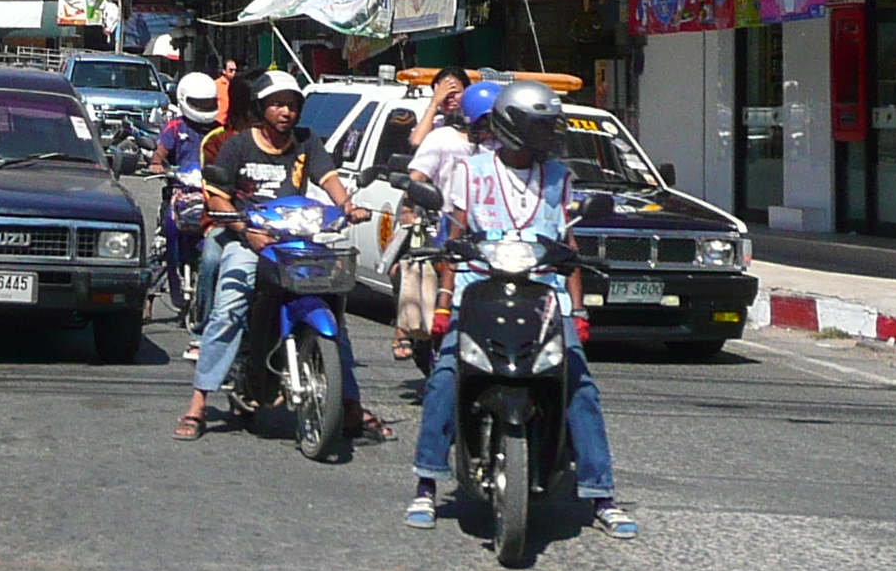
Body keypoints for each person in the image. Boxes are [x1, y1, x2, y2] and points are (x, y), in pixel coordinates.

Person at [405, 80, 637, 538]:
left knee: (579, 384)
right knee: (446, 375)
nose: (549, 137)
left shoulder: (559, 177)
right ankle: (427, 482)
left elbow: (568, 245)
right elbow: (454, 239)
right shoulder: (471, 172)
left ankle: (601, 494)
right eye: (541, 128)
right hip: (478, 292)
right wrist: (444, 305)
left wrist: (578, 310)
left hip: (543, 296)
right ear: (513, 128)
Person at [176, 70, 382, 442]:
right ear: (261, 108)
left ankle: (349, 404)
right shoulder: (238, 145)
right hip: (249, 239)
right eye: (277, 104)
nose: (286, 112)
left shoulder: (306, 142)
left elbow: (329, 177)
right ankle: (198, 404)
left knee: (333, 307)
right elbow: (217, 195)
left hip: (296, 242)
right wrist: (242, 229)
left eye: (292, 105)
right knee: (230, 308)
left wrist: (347, 206)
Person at [391, 67, 473, 360]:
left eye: (456, 91)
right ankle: (407, 329)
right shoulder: (439, 131)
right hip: (439, 218)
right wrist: (434, 102)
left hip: (484, 225)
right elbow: (416, 148)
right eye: (443, 92)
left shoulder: (491, 134)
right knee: (406, 269)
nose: (451, 98)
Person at [156, 71, 221, 347]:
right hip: (178, 196)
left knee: (217, 247)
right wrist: (158, 166)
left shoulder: (220, 130)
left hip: (209, 199)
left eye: (209, 103)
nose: (205, 109)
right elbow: (158, 155)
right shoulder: (174, 128)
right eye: (199, 103)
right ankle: (151, 294)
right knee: (164, 236)